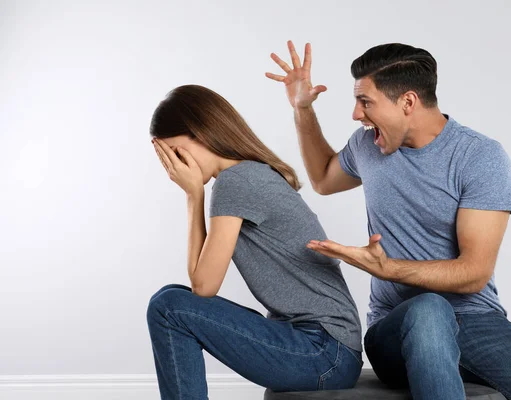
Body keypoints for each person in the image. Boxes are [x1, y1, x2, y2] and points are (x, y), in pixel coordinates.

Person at [266, 41, 511, 400]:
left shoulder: (478, 157)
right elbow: (324, 179)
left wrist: (389, 269)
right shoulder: (367, 146)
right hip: (395, 329)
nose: (356, 114)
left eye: (366, 102)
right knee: (429, 308)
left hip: (475, 322)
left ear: (408, 102)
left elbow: (474, 272)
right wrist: (302, 109)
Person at [146, 84, 363, 400]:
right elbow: (197, 286)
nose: (174, 167)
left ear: (202, 134)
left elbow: (204, 286)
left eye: (176, 152)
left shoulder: (237, 181)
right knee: (171, 298)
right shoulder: (244, 176)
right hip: (322, 346)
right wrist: (194, 193)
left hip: (324, 351)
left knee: (167, 307)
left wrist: (194, 195)